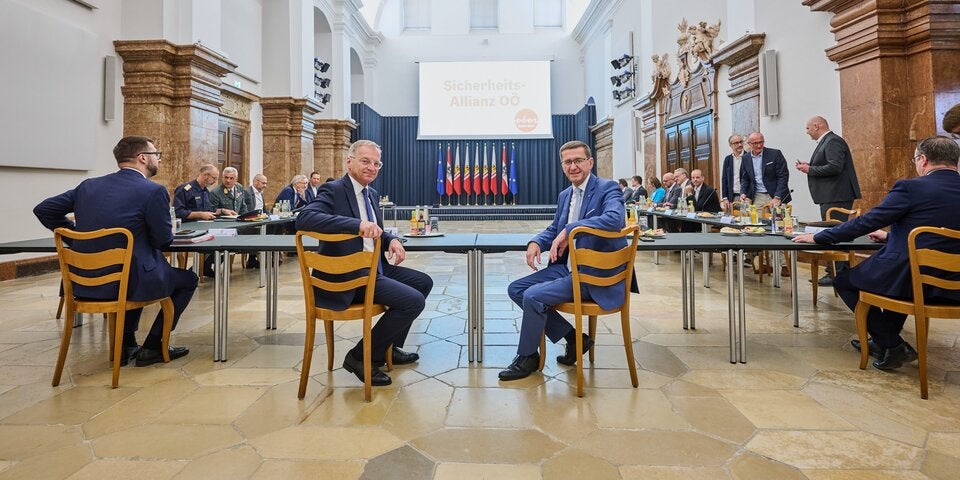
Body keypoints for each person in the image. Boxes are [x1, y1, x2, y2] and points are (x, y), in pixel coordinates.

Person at [793, 136, 960, 370]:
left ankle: (891, 343)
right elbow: (942, 234)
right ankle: (883, 341)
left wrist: (820, 236)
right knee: (893, 282)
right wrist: (890, 236)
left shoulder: (911, 187)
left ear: (923, 160)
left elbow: (867, 221)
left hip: (912, 279)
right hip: (952, 286)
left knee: (845, 281)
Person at [33, 136, 196, 367]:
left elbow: (44, 209)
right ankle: (153, 346)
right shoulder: (153, 191)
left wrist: (75, 234)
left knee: (135, 269)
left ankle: (126, 344)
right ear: (142, 158)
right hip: (131, 282)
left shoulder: (88, 186)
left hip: (85, 283)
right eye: (156, 154)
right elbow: (162, 241)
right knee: (187, 279)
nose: (158, 159)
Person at [296, 140, 433, 387]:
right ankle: (359, 357)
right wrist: (356, 226)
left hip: (375, 267)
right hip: (349, 275)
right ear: (349, 161)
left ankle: (389, 348)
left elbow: (374, 228)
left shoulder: (371, 193)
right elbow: (305, 218)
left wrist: (390, 239)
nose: (372, 167)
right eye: (365, 161)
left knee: (423, 283)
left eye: (376, 163)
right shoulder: (334, 189)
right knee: (413, 301)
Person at [499, 140, 635, 381]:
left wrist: (571, 228)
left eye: (578, 161)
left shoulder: (608, 188)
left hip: (593, 275)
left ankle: (527, 357)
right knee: (517, 289)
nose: (573, 166)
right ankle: (574, 338)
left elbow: (615, 220)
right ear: (562, 166)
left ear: (590, 163)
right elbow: (555, 228)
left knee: (533, 296)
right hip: (567, 268)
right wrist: (536, 243)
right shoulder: (565, 195)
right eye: (568, 162)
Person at [795, 116, 862, 285]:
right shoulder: (828, 141)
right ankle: (833, 272)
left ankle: (838, 275)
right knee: (832, 234)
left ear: (817, 126)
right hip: (831, 195)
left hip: (837, 195)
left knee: (836, 234)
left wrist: (809, 169)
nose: (807, 132)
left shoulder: (832, 141)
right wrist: (809, 165)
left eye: (808, 128)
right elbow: (829, 164)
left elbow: (835, 167)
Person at [173, 164, 223, 277]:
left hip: (205, 227)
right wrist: (200, 214)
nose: (215, 181)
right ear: (206, 175)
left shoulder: (205, 191)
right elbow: (178, 212)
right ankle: (193, 271)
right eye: (214, 178)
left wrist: (223, 211)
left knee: (224, 240)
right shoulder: (185, 189)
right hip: (189, 229)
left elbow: (210, 210)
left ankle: (204, 267)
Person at [739, 132, 791, 208]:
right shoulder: (745, 158)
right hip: (757, 196)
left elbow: (783, 176)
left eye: (761, 142)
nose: (759, 145)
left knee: (778, 219)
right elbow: (745, 178)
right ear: (749, 144)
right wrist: (743, 193)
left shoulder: (775, 154)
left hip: (775, 195)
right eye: (755, 143)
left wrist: (777, 197)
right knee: (757, 219)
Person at [241, 173, 268, 269]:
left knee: (274, 227)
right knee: (256, 232)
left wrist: (269, 216)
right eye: (263, 183)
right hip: (250, 222)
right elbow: (245, 210)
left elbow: (264, 209)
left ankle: (270, 256)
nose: (265, 186)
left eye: (266, 183)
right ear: (256, 182)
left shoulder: (261, 193)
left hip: (260, 220)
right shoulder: (247, 192)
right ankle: (252, 259)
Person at [720, 134, 745, 212]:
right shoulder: (728, 159)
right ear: (730, 145)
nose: (740, 145)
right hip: (731, 197)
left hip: (745, 197)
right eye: (736, 143)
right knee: (731, 222)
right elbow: (724, 179)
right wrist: (725, 198)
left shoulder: (748, 157)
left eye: (741, 142)